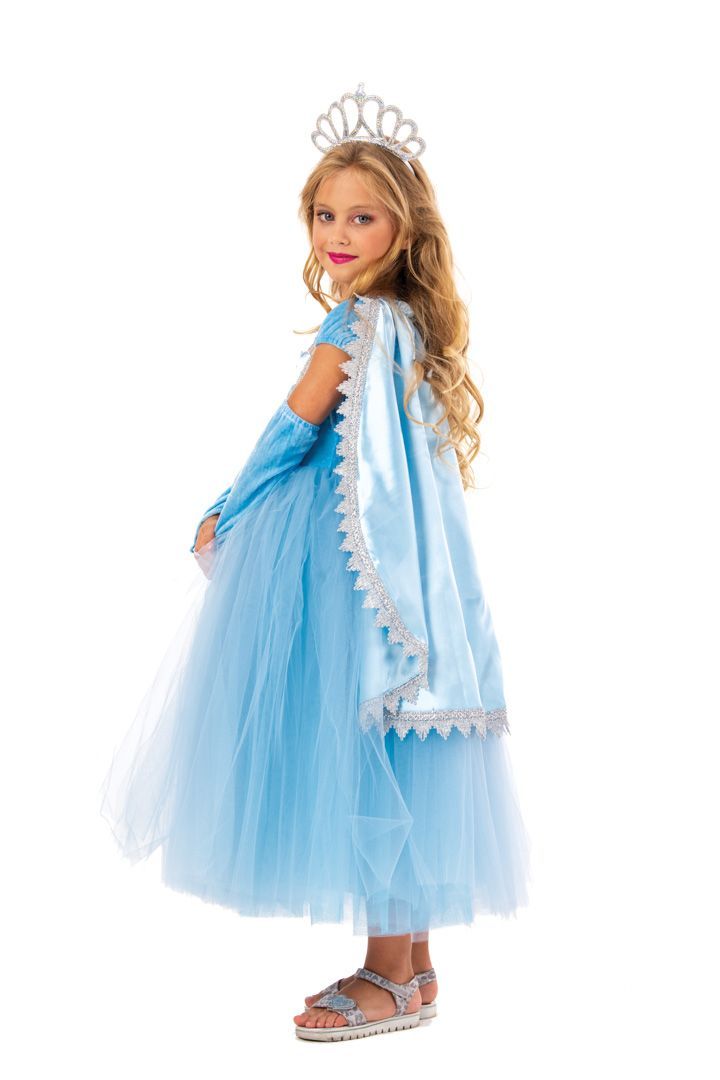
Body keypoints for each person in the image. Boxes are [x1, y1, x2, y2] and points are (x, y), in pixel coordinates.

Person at [99, 82, 532, 1043]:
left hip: (340, 569)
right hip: (403, 572)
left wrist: (227, 507)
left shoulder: (356, 325)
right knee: (397, 747)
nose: (338, 234)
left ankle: (390, 974)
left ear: (404, 227)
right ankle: (413, 965)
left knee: (361, 744)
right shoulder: (413, 324)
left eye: (362, 217)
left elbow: (294, 427)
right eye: (325, 214)